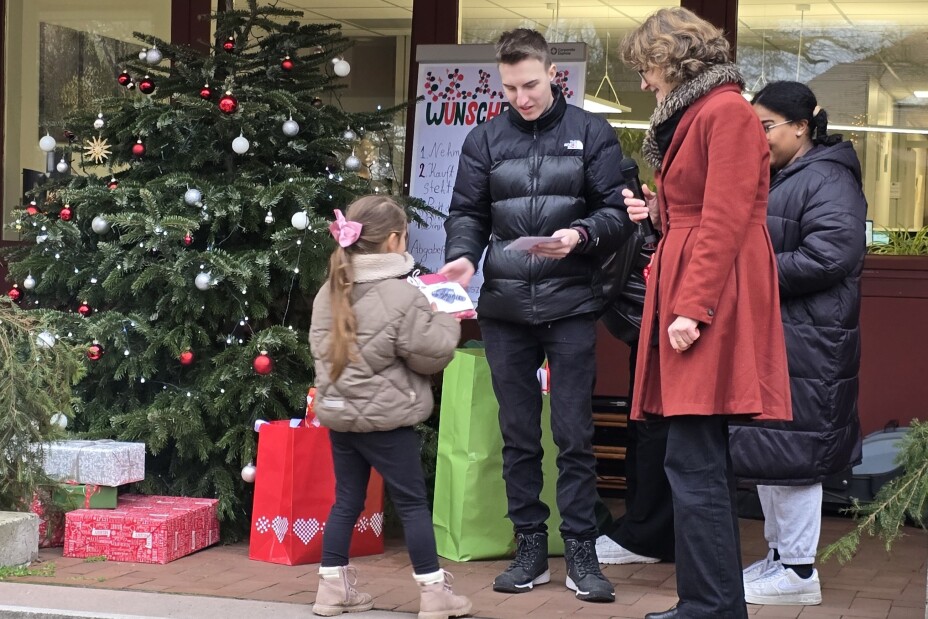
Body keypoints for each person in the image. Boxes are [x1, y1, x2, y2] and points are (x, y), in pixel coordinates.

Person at [439, 28, 632, 603]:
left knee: (574, 434)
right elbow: (467, 211)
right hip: (502, 306)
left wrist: (581, 234)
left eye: (529, 84)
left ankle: (580, 551)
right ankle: (529, 548)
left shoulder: (591, 132)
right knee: (518, 435)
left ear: (553, 74)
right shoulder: (485, 138)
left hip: (571, 303)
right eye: (509, 87)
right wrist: (461, 259)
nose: (520, 97)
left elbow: (617, 214)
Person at [619, 8, 792, 618]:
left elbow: (724, 220)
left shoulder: (724, 112)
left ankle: (711, 607)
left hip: (705, 295)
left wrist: (692, 308)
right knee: (695, 459)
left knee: (692, 458)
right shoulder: (709, 111)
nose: (644, 82)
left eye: (646, 68)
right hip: (695, 279)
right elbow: (705, 212)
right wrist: (657, 213)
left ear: (674, 59)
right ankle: (710, 603)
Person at [730, 81, 866, 606]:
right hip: (788, 333)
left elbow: (831, 254)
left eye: (764, 127)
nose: (757, 138)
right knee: (775, 447)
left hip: (811, 338)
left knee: (797, 449)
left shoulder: (828, 177)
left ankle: (799, 571)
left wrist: (750, 273)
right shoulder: (788, 175)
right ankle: (780, 556)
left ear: (802, 126)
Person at [309, 196, 472, 619]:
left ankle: (331, 591)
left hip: (340, 416)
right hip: (387, 421)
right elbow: (430, 355)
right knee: (413, 504)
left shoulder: (328, 291)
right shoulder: (403, 297)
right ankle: (434, 594)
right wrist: (446, 316)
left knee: (347, 500)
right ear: (395, 240)